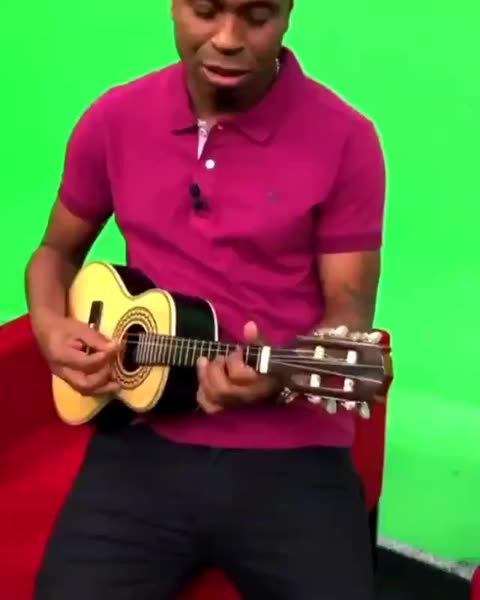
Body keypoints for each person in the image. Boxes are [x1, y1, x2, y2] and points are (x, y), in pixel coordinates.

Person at [27, 0, 387, 598]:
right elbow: (55, 254)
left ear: (289, 12)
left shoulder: (347, 138)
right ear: (174, 5)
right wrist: (47, 323)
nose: (227, 38)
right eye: (206, 11)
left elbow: (349, 318)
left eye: (257, 16)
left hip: (294, 455)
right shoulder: (115, 117)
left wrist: (278, 380)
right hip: (140, 437)